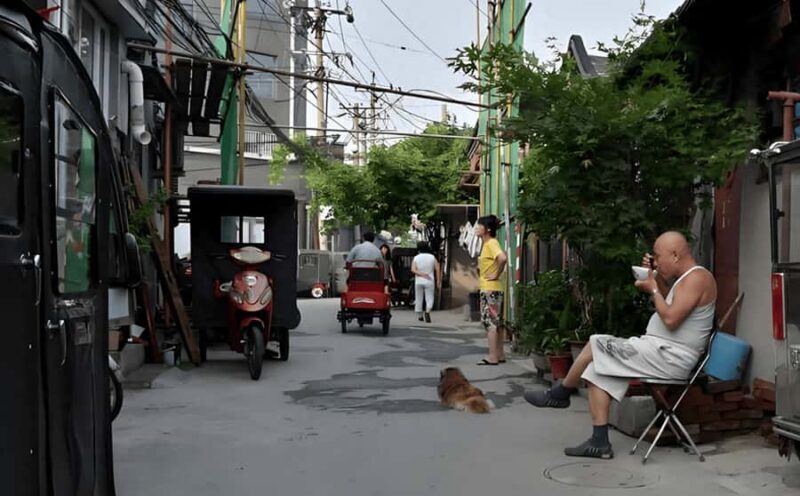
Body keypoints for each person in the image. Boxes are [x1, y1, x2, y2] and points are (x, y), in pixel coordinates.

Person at [524, 231, 717, 460]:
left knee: (596, 342)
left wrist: (653, 288)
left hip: (670, 358)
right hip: (657, 351)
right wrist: (656, 279)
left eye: (658, 256)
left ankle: (561, 393)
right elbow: (670, 304)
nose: (655, 261)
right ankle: (600, 443)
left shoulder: (698, 278)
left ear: (675, 255)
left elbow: (671, 319)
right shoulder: (686, 280)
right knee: (597, 370)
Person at [475, 215, 508, 366]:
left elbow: (502, 258)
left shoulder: (490, 243)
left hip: (490, 289)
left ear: (487, 229)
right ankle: (499, 354)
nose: (476, 228)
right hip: (494, 288)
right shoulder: (489, 243)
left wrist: (496, 274)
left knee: (490, 323)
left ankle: (492, 356)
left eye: (479, 226)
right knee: (496, 322)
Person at [411, 242, 440, 323]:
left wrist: (421, 274)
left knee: (418, 298)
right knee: (429, 297)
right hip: (430, 280)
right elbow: (437, 268)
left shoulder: (416, 258)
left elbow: (413, 269)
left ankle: (420, 315)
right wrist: (438, 280)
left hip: (419, 281)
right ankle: (427, 312)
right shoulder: (432, 257)